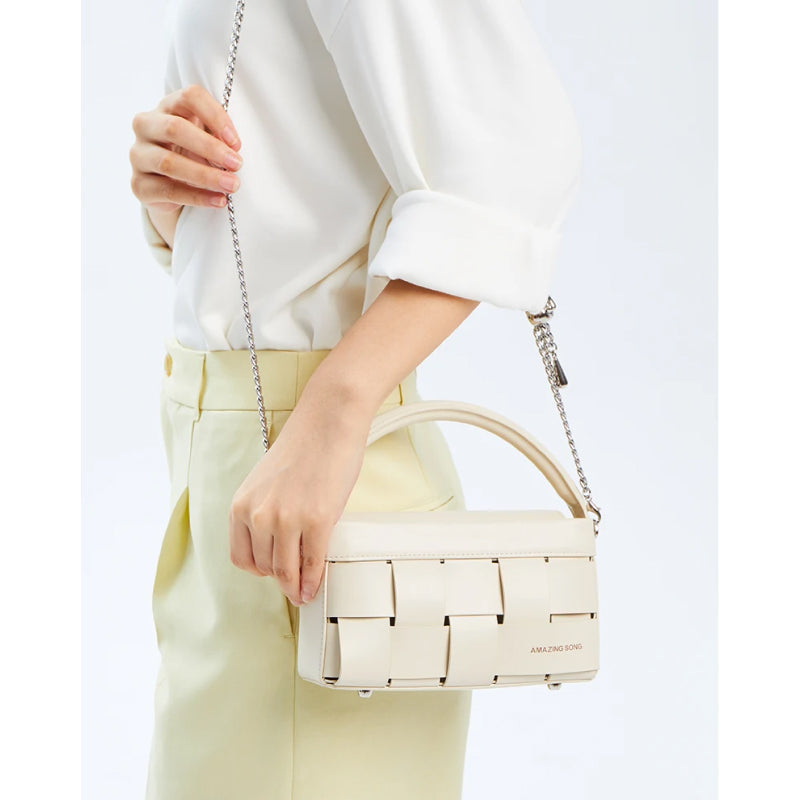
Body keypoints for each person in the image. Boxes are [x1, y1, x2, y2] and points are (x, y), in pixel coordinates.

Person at [129, 1, 582, 798]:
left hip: (318, 484)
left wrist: (336, 404)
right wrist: (174, 195)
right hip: (237, 466)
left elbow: (516, 161)